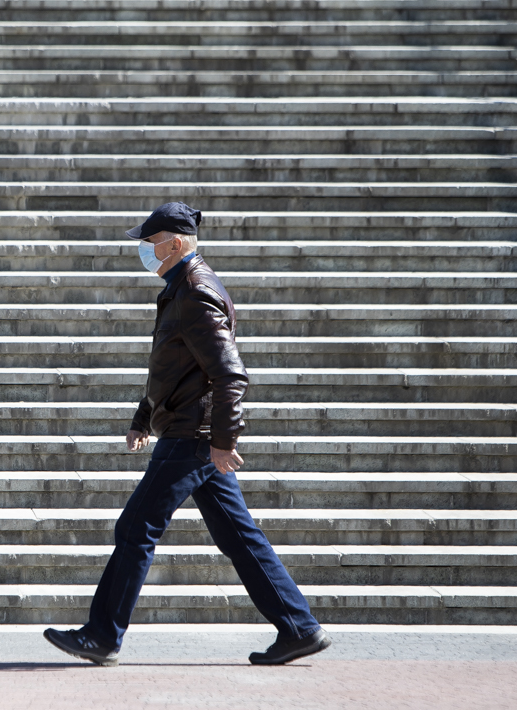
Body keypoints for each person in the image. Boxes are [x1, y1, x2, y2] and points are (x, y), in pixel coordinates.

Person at [44, 202, 332, 667]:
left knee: (135, 528)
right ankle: (299, 628)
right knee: (239, 536)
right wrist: (143, 416)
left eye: (150, 243)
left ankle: (102, 635)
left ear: (174, 244)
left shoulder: (195, 293)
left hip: (190, 436)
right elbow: (173, 370)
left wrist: (223, 441)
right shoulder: (180, 289)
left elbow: (229, 375)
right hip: (185, 429)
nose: (144, 251)